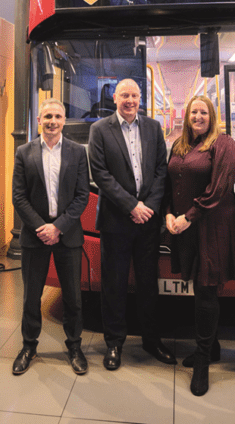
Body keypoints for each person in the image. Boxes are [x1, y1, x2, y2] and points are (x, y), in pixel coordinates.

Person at [88, 78, 175, 370]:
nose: (130, 100)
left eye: (135, 95)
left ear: (141, 98)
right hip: (116, 221)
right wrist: (131, 206)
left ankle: (152, 340)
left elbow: (161, 170)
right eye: (125, 95)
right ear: (115, 97)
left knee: (149, 284)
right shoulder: (99, 130)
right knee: (113, 285)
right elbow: (100, 173)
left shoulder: (153, 127)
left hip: (147, 223)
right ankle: (114, 344)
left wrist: (148, 207)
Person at [163, 95, 235, 396]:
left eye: (203, 112)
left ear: (212, 116)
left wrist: (189, 216)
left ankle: (202, 361)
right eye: (193, 112)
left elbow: (219, 189)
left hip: (212, 226)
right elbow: (169, 185)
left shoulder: (224, 144)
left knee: (207, 290)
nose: (198, 116)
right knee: (199, 288)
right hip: (186, 226)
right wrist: (170, 213)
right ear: (186, 117)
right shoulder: (180, 145)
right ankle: (211, 348)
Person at [10, 99, 90, 376]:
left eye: (57, 116)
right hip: (35, 237)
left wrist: (59, 227)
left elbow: (82, 197)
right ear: (39, 120)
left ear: (64, 120)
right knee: (32, 296)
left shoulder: (78, 152)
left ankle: (75, 347)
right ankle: (28, 346)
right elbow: (18, 197)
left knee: (73, 297)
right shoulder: (24, 152)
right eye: (47, 116)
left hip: (68, 236)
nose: (52, 121)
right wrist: (41, 227)